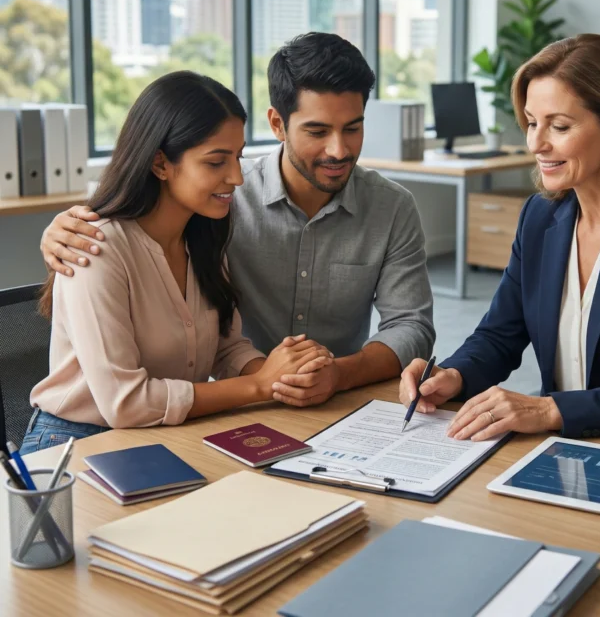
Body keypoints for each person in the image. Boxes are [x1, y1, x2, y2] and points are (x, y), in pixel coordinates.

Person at [40, 33, 435, 410]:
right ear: (278, 124)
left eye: (353, 128)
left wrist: (331, 376)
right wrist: (61, 229)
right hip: (229, 404)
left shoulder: (390, 208)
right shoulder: (218, 204)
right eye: (317, 131)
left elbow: (411, 326)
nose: (339, 149)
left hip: (313, 400)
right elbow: (125, 213)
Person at [400, 34, 600, 441]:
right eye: (532, 123)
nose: (536, 143)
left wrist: (548, 409)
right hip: (566, 446)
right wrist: (452, 374)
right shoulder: (540, 217)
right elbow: (499, 333)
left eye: (559, 126)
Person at [21, 72, 332, 455]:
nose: (236, 177)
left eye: (237, 156)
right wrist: (258, 385)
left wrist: (285, 375)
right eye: (216, 161)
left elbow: (224, 348)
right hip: (73, 444)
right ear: (160, 163)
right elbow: (125, 403)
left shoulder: (204, 235)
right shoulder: (95, 248)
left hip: (167, 431)